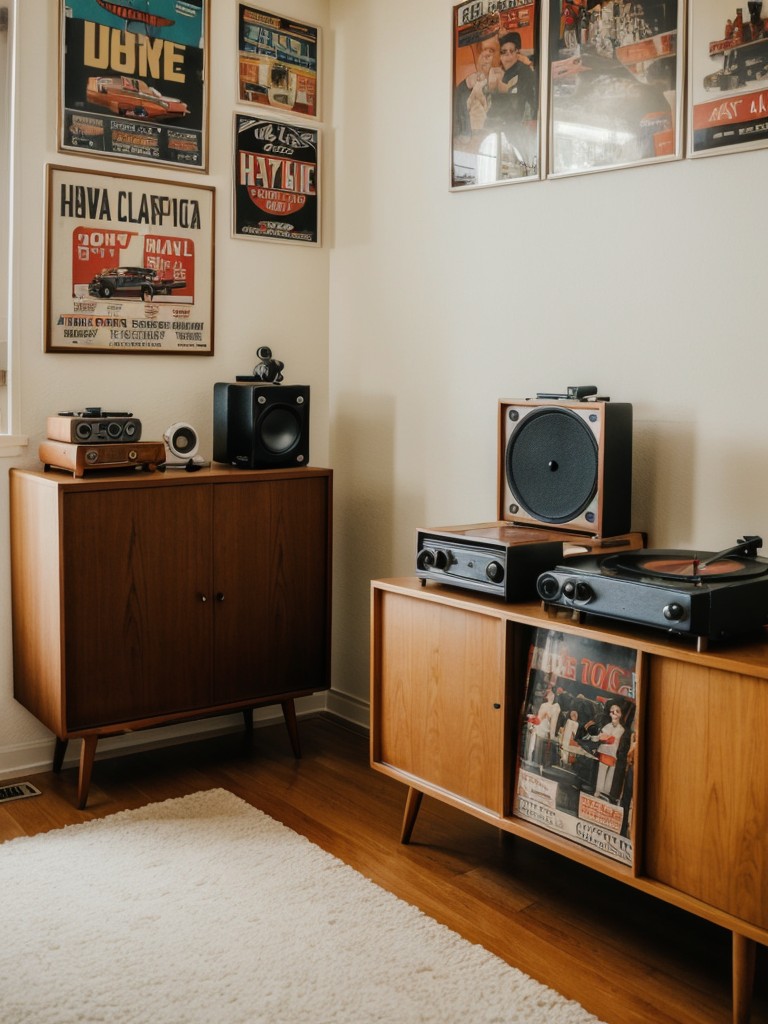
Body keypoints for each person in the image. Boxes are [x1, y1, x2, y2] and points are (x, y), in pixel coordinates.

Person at [454, 35, 500, 141]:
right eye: (480, 52)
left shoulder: (510, 82)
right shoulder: (465, 88)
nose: (485, 56)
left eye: (491, 51)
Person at [595, 703, 625, 798]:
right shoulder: (608, 726)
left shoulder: (621, 729)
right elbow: (601, 737)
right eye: (612, 712)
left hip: (613, 753)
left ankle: (604, 793)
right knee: (602, 772)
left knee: (610, 776)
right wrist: (605, 737)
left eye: (617, 712)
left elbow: (610, 739)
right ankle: (598, 792)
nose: (614, 714)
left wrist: (606, 737)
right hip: (604, 752)